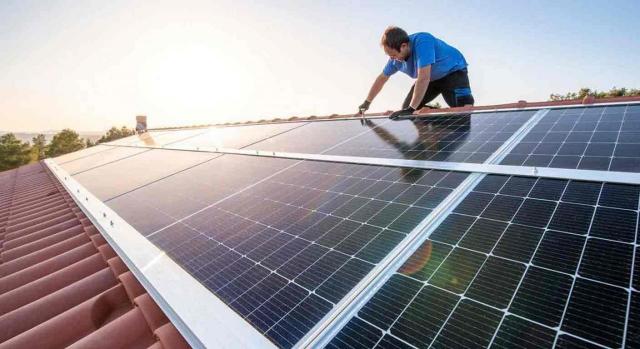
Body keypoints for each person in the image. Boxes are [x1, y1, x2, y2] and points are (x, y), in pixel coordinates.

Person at [358, 26, 474, 119]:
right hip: (432, 80)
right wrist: (367, 102)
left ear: (404, 46)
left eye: (393, 55)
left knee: (463, 110)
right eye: (389, 56)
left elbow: (423, 77)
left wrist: (412, 108)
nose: (392, 59)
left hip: (452, 72)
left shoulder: (423, 41)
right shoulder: (395, 60)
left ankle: (454, 117)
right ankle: (437, 127)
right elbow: (382, 78)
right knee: (407, 110)